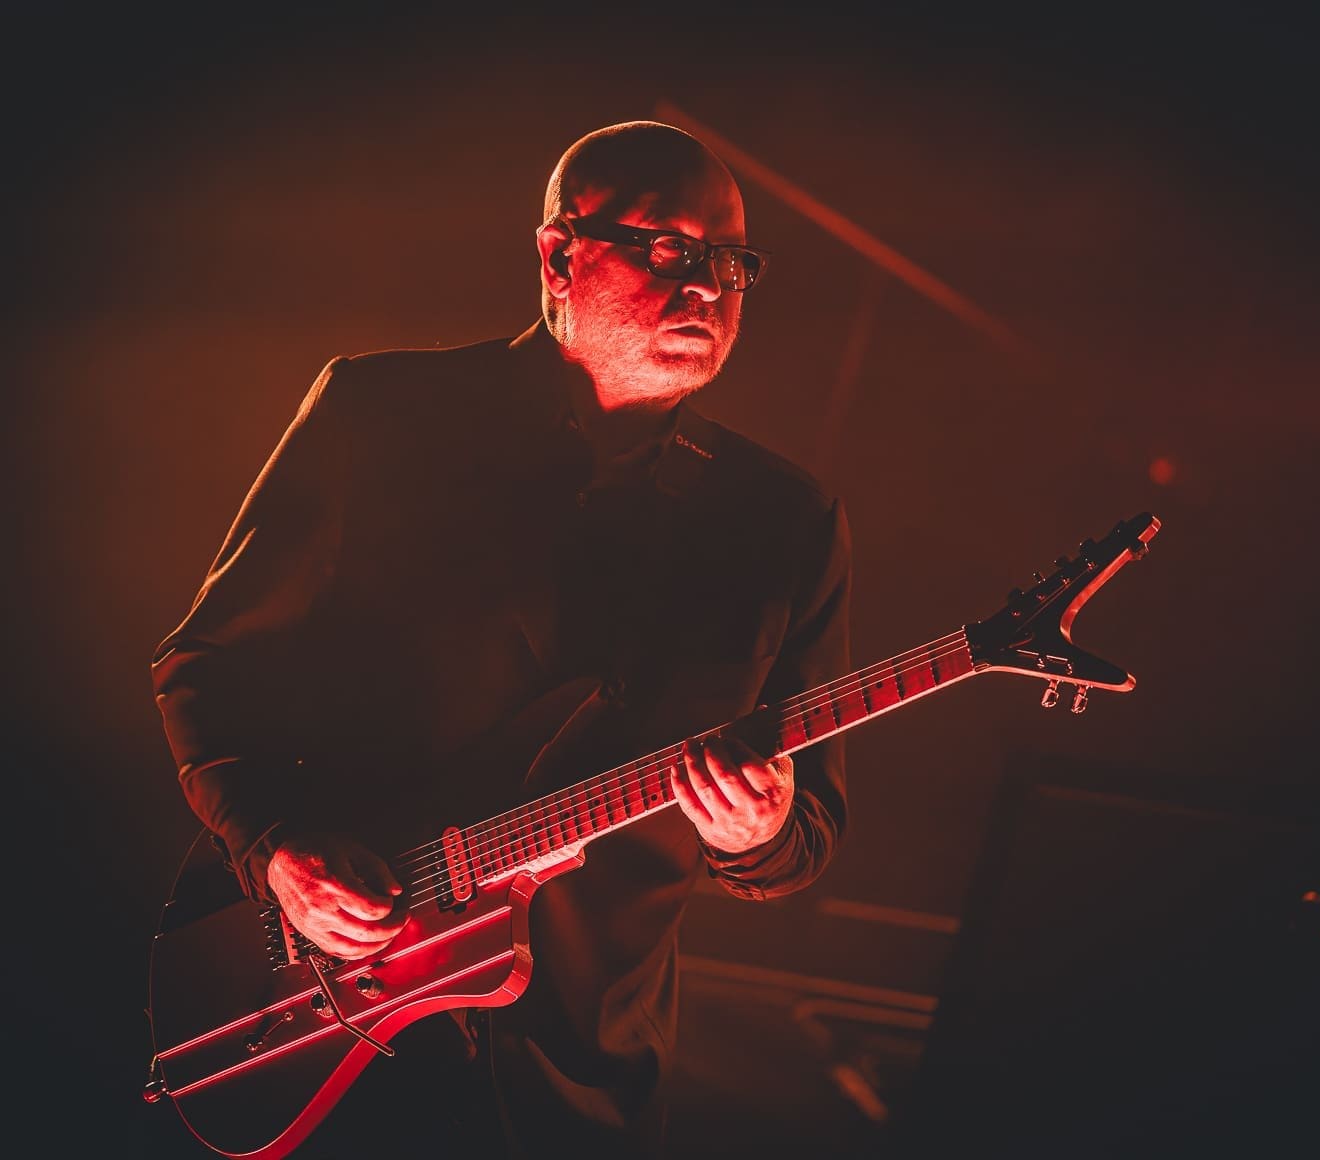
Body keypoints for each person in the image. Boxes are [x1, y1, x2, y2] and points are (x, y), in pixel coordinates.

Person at [150, 119, 851, 1158]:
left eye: (731, 261)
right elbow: (208, 665)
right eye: (670, 247)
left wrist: (761, 829)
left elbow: (805, 838)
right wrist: (274, 848)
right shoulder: (380, 415)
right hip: (329, 1025)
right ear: (558, 254)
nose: (708, 286)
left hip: (575, 1082)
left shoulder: (785, 521)